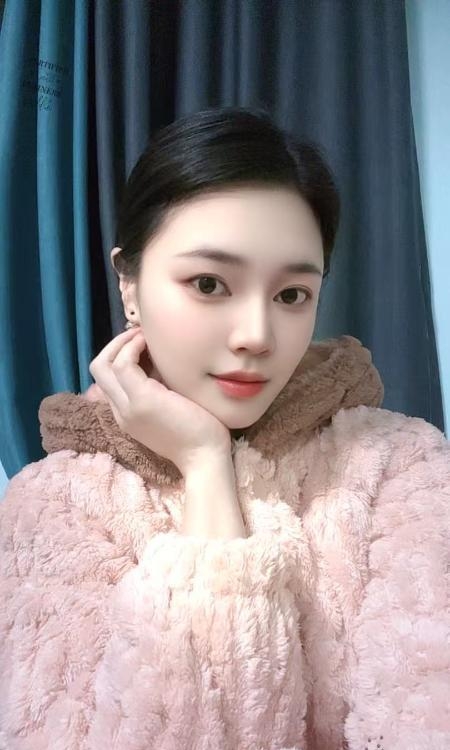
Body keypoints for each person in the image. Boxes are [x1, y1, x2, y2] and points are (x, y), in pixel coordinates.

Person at [0, 106, 448, 750]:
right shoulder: (52, 509)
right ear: (130, 284)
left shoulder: (402, 466)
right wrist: (205, 466)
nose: (257, 336)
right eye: (209, 283)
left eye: (292, 295)